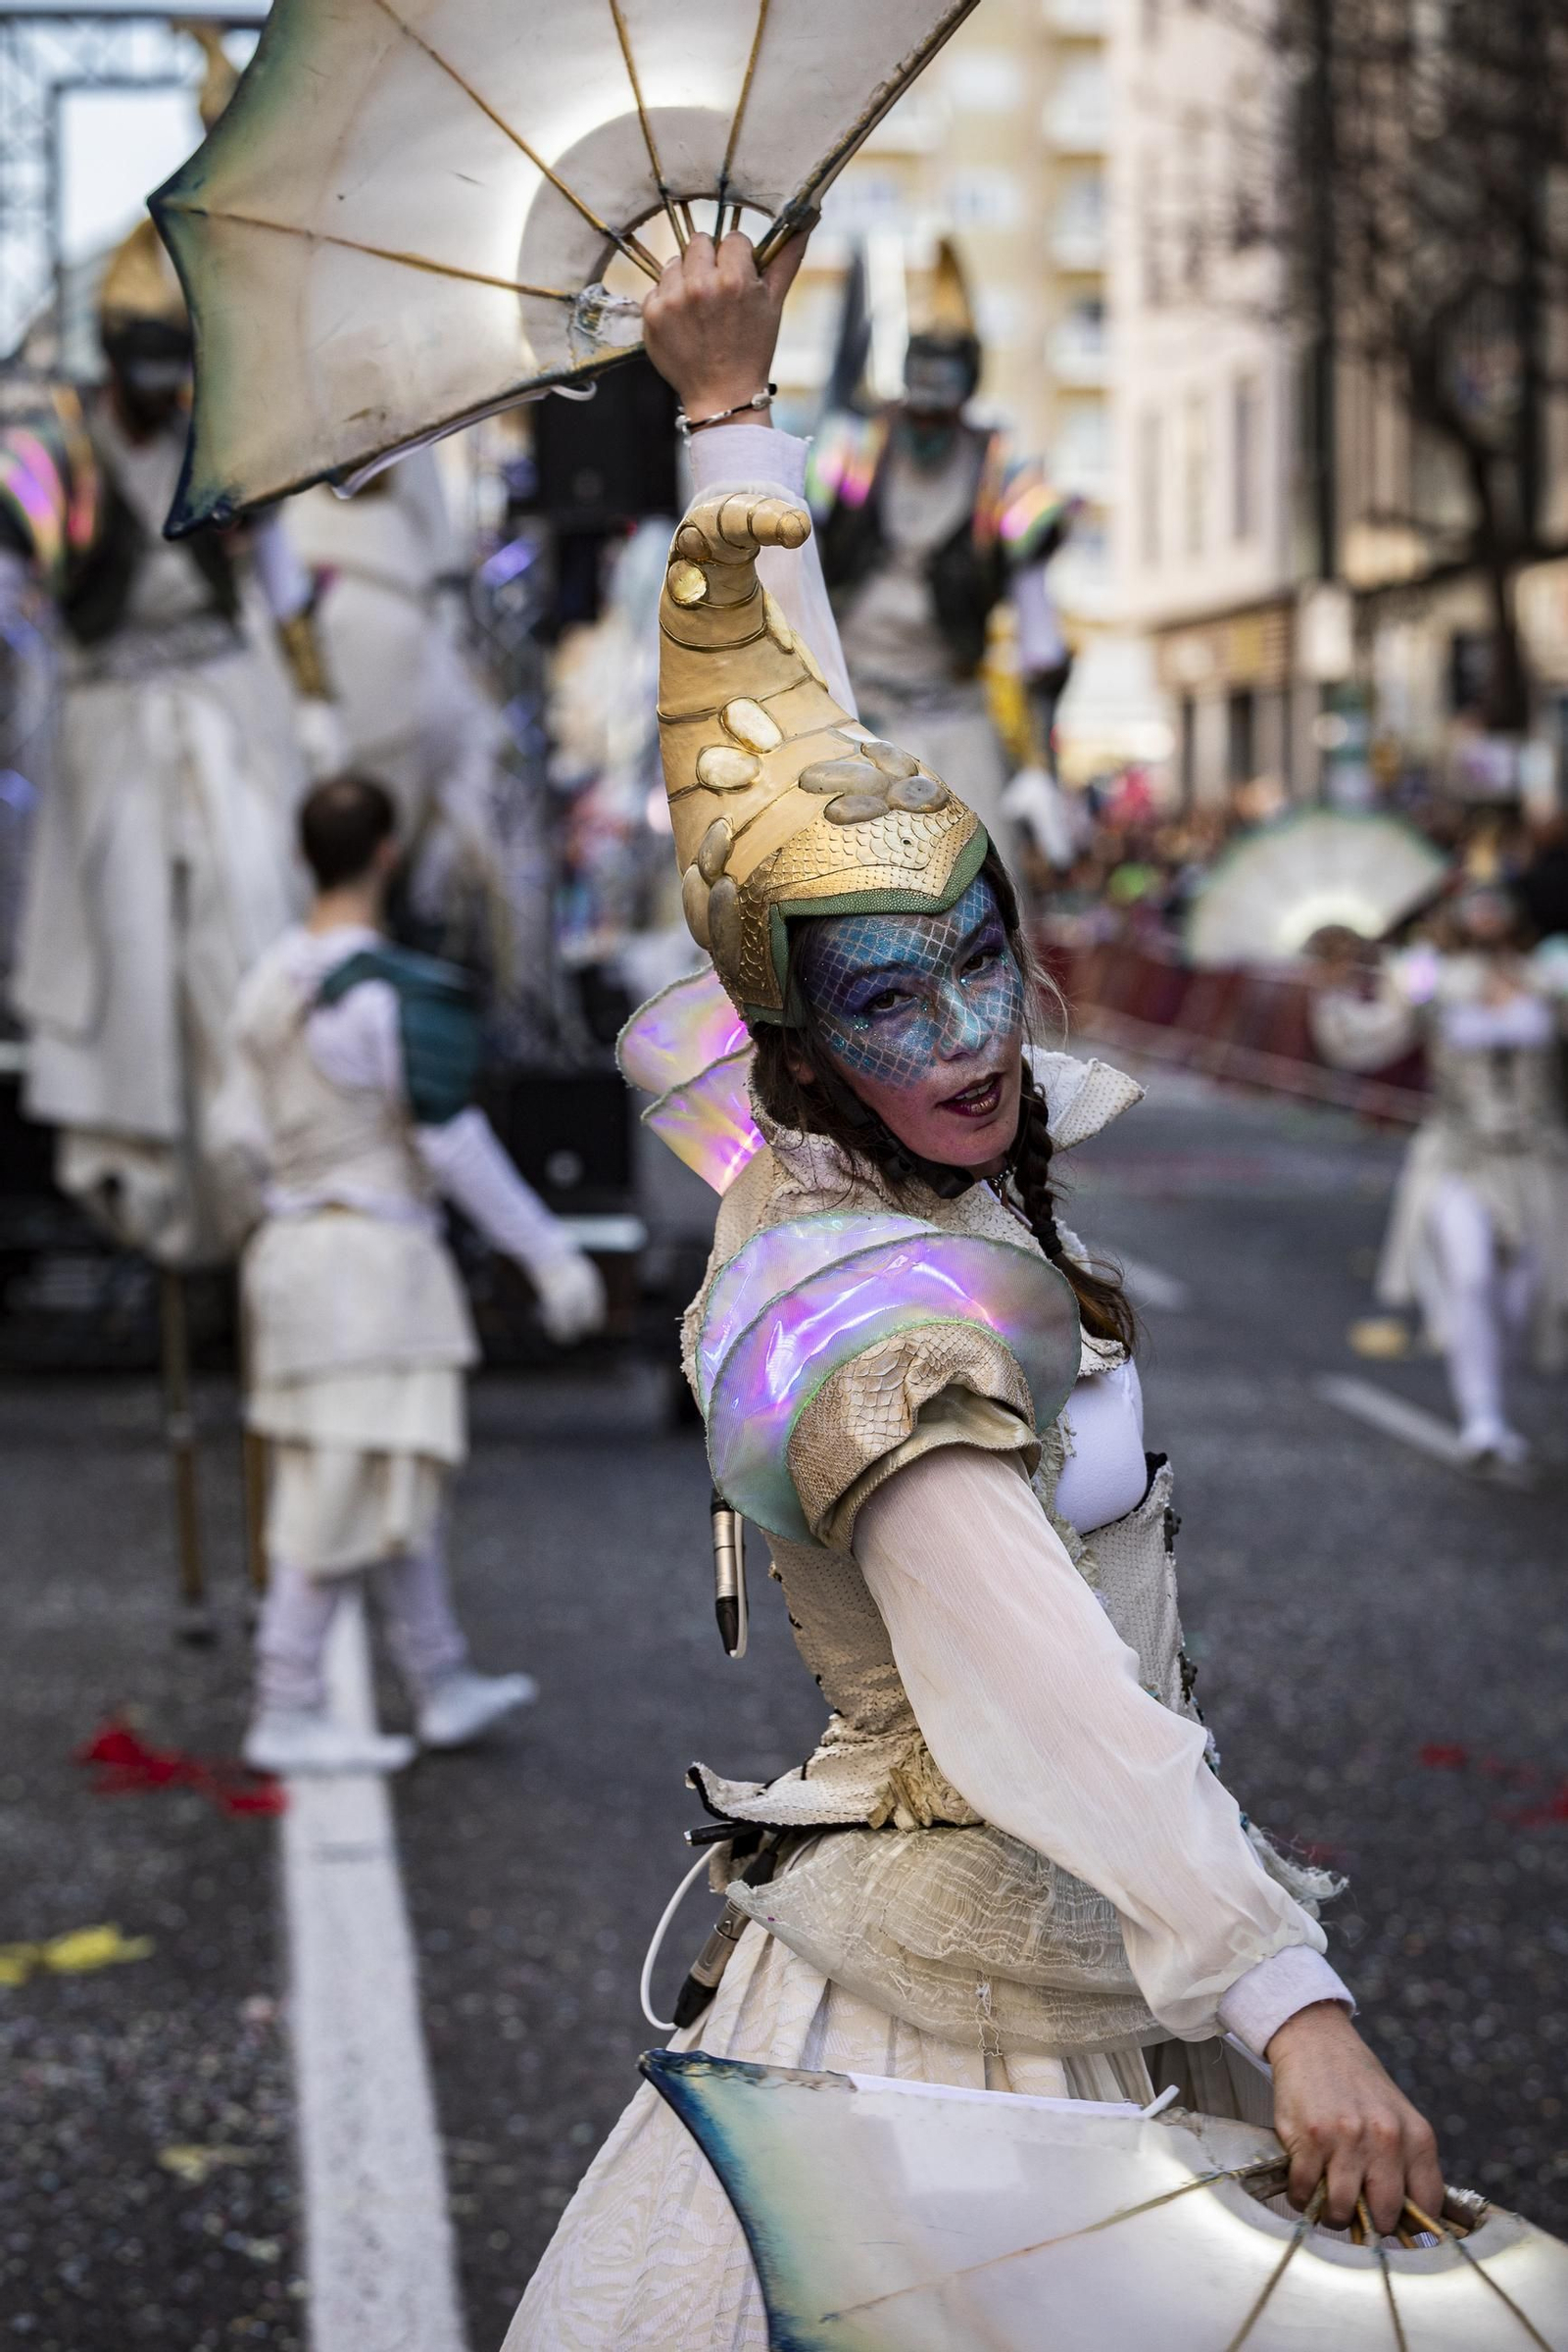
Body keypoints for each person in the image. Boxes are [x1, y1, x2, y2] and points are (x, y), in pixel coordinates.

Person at [505, 231, 1443, 2348]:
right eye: (888, 1003)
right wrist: (1289, 2002)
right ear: (800, 1044)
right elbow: (1049, 1690)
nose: (963, 1038)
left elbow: (812, 765)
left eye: (981, 962)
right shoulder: (866, 1314)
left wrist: (729, 415)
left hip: (1086, 1939)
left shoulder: (866, 1130)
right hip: (962, 2023)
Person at [215, 773, 606, 1774]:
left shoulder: (263, 984)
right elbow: (450, 1142)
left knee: (389, 1475)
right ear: (387, 854)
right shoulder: (385, 994)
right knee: (342, 1488)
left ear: (304, 856)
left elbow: (235, 1137)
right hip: (372, 1269)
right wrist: (548, 1253)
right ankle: (285, 1701)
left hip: (294, 1257)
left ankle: (438, 1677)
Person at [0, 218, 326, 1265]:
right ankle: (144, 1167)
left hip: (226, 710)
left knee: (253, 919)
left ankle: (253, 1158)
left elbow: (283, 588)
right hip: (108, 725)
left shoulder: (220, 438)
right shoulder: (53, 450)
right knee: (123, 947)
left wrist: (317, 708)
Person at [805, 238, 1076, 849]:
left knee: (985, 870)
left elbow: (1041, 645)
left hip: (953, 711)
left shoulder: (1007, 483)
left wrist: (1042, 768)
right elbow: (791, 575)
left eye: (939, 408)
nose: (923, 419)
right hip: (849, 705)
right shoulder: (848, 453)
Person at [1311, 885, 1568, 1465]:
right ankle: (1483, 1419)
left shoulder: (1550, 975)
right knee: (1471, 1276)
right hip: (1457, 1158)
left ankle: (1492, 1400)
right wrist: (1332, 988)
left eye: (1498, 903)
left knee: (1520, 1298)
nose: (1487, 914)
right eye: (1476, 905)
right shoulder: (1429, 977)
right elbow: (1368, 1037)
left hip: (1538, 1165)